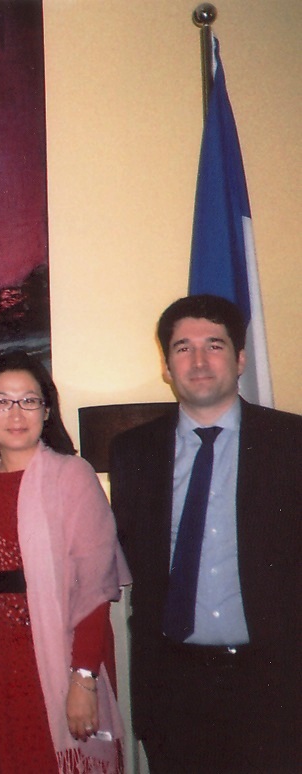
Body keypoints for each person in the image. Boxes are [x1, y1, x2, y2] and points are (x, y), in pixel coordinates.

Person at [109, 294, 301, 773]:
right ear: (166, 366)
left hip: (276, 686)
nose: (197, 360)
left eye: (213, 345)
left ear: (239, 359)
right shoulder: (132, 454)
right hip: (174, 689)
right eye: (182, 348)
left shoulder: (291, 445)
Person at [0, 351, 129, 774]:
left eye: (28, 400)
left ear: (47, 410)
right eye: (1, 401)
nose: (15, 413)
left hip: (60, 659)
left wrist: (83, 679)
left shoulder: (73, 476)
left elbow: (94, 590)